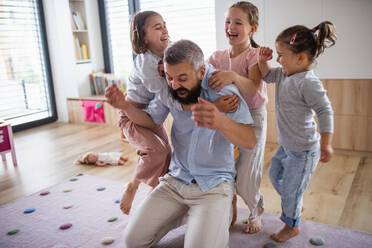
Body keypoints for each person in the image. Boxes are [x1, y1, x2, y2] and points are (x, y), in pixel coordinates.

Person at [106, 39, 257, 248]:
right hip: (176, 181)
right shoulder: (170, 90)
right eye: (169, 78)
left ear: (201, 71)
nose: (175, 85)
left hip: (213, 185)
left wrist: (221, 121)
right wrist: (124, 106)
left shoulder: (223, 91)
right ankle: (191, 216)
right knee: (133, 241)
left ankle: (205, 216)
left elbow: (249, 140)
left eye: (182, 78)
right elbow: (151, 120)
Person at [119, 11, 239, 215]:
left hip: (151, 117)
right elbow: (169, 98)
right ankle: (132, 185)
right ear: (143, 36)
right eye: (157, 27)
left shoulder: (164, 57)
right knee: (157, 153)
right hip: (134, 117)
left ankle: (154, 197)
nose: (164, 29)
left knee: (167, 159)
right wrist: (214, 106)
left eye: (164, 25)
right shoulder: (145, 62)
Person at [257, 21, 336, 243]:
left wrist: (326, 143)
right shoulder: (284, 74)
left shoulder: (308, 83)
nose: (278, 59)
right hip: (286, 146)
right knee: (274, 176)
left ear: (300, 58)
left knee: (291, 190)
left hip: (303, 151)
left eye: (281, 55)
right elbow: (265, 75)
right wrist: (262, 60)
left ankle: (292, 225)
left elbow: (325, 110)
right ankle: (295, 203)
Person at [208, 1, 267, 233]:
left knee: (246, 175)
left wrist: (232, 76)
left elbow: (252, 89)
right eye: (227, 21)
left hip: (252, 118)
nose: (230, 26)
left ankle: (255, 210)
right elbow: (208, 85)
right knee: (224, 168)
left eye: (238, 22)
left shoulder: (254, 56)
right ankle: (228, 207)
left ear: (252, 29)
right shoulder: (216, 57)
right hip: (227, 114)